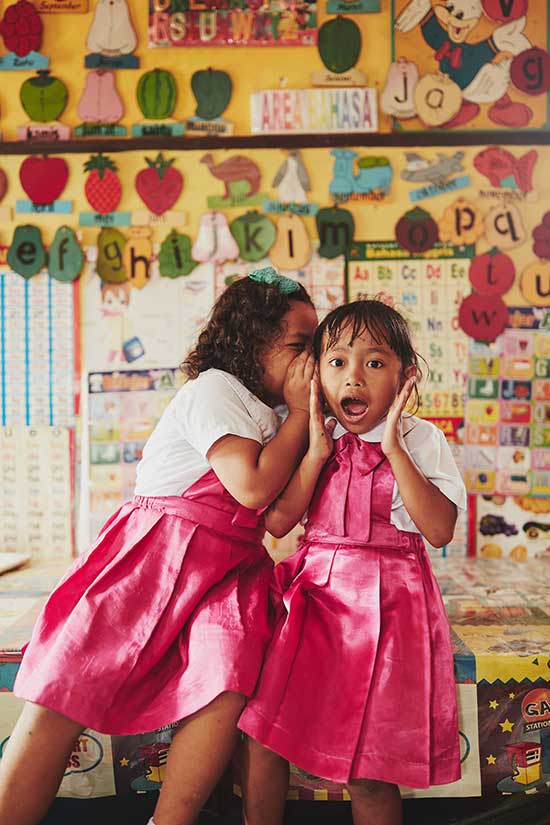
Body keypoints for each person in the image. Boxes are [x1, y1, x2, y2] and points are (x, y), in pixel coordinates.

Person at [0, 267, 318, 825]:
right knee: (64, 692)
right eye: (300, 345)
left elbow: (275, 518)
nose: (311, 361)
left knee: (225, 681)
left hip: (230, 570)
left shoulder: (282, 416)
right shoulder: (214, 389)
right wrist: (299, 418)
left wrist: (309, 424)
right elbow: (250, 485)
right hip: (156, 553)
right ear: (251, 340)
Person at [239, 299, 466, 825]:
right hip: (314, 603)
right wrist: (316, 452)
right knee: (262, 734)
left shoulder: (422, 440)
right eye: (338, 361)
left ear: (405, 376)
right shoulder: (310, 436)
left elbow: (438, 530)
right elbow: (277, 524)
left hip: (389, 615)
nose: (354, 377)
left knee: (368, 771)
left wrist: (394, 450)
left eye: (375, 362)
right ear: (318, 373)